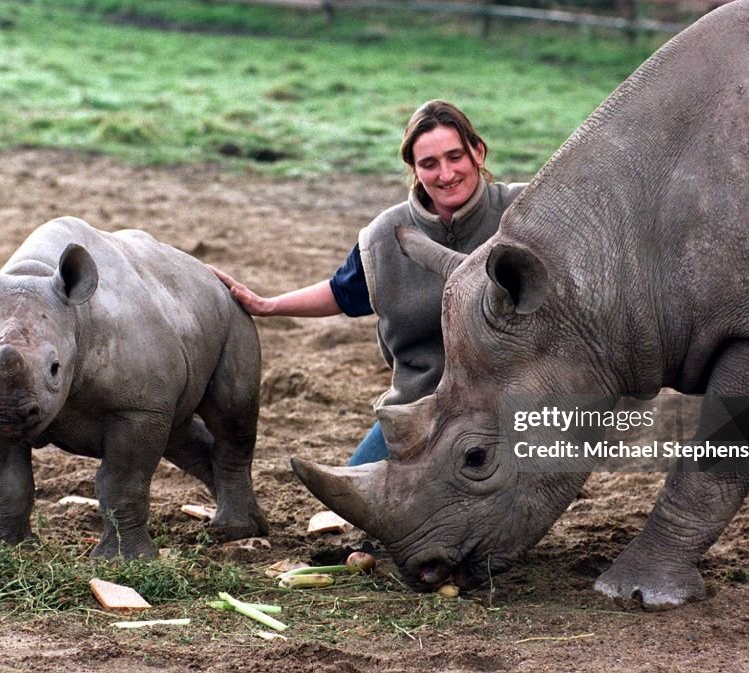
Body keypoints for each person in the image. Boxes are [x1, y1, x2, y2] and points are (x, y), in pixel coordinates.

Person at [208, 99, 526, 465]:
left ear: (478, 152)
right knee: (352, 493)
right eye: (429, 163)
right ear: (414, 169)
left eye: (455, 157)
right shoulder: (385, 236)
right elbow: (342, 292)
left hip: (515, 404)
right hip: (423, 404)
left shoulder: (524, 210)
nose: (446, 173)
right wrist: (267, 305)